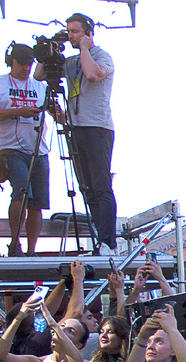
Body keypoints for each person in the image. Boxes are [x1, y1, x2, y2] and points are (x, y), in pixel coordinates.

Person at [35, 13, 116, 254]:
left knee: (101, 185)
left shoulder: (102, 56)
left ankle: (108, 241)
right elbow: (39, 75)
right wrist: (51, 46)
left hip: (97, 128)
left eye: (76, 32)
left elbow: (92, 74)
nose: (71, 36)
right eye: (69, 32)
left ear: (89, 32)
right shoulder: (70, 62)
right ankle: (99, 239)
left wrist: (84, 46)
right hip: (76, 127)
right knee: (87, 186)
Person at [0, 43, 50, 256]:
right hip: (11, 148)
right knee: (21, 193)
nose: (26, 68)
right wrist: (20, 111)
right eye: (21, 64)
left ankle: (31, 250)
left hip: (39, 150)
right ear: (11, 62)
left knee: (37, 203)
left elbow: (56, 114)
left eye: (29, 64)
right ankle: (14, 243)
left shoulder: (40, 85)